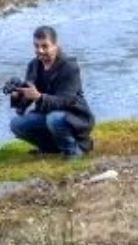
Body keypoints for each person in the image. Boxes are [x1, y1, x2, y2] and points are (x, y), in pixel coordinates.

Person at [9, 25, 95, 160]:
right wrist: (17, 94)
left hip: (74, 116)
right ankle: (51, 148)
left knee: (54, 118)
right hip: (48, 114)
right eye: (36, 46)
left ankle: (74, 150)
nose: (40, 51)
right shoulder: (33, 65)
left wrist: (39, 97)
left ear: (55, 45)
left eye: (45, 46)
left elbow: (66, 101)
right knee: (16, 124)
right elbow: (26, 101)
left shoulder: (69, 67)